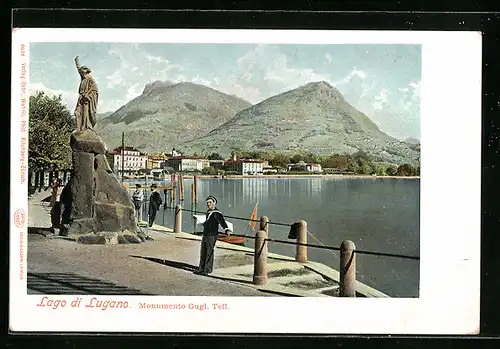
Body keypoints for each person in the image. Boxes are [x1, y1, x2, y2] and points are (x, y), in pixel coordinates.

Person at [194, 196, 232, 275]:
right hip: (205, 234)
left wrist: (226, 229)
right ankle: (201, 268)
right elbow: (209, 223)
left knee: (209, 252)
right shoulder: (208, 212)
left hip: (212, 235)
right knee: (203, 252)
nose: (208, 204)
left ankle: (207, 270)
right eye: (207, 202)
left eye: (210, 202)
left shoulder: (217, 213)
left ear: (214, 203)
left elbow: (222, 221)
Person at [74, 56, 99, 132]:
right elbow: (78, 70)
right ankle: (78, 129)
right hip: (81, 98)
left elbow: (95, 91)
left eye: (83, 73)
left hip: (87, 101)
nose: (82, 74)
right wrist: (76, 62)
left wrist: (87, 95)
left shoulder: (91, 80)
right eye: (81, 73)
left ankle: (86, 128)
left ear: (86, 72)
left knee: (85, 115)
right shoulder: (83, 78)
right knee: (77, 113)